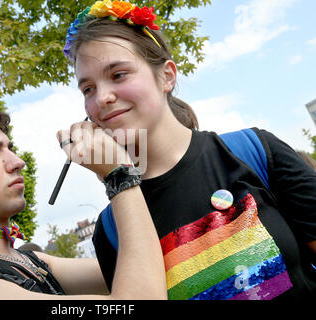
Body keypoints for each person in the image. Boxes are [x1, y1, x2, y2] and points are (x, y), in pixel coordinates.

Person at [62, 0, 316, 300]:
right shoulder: (110, 231)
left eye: (118, 75)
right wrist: (118, 177)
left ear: (167, 76)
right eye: (87, 89)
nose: (102, 97)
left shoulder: (254, 150)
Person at [0, 96, 166, 300]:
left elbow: (153, 271)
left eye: (10, 148)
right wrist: (119, 177)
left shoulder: (28, 262)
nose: (17, 162)